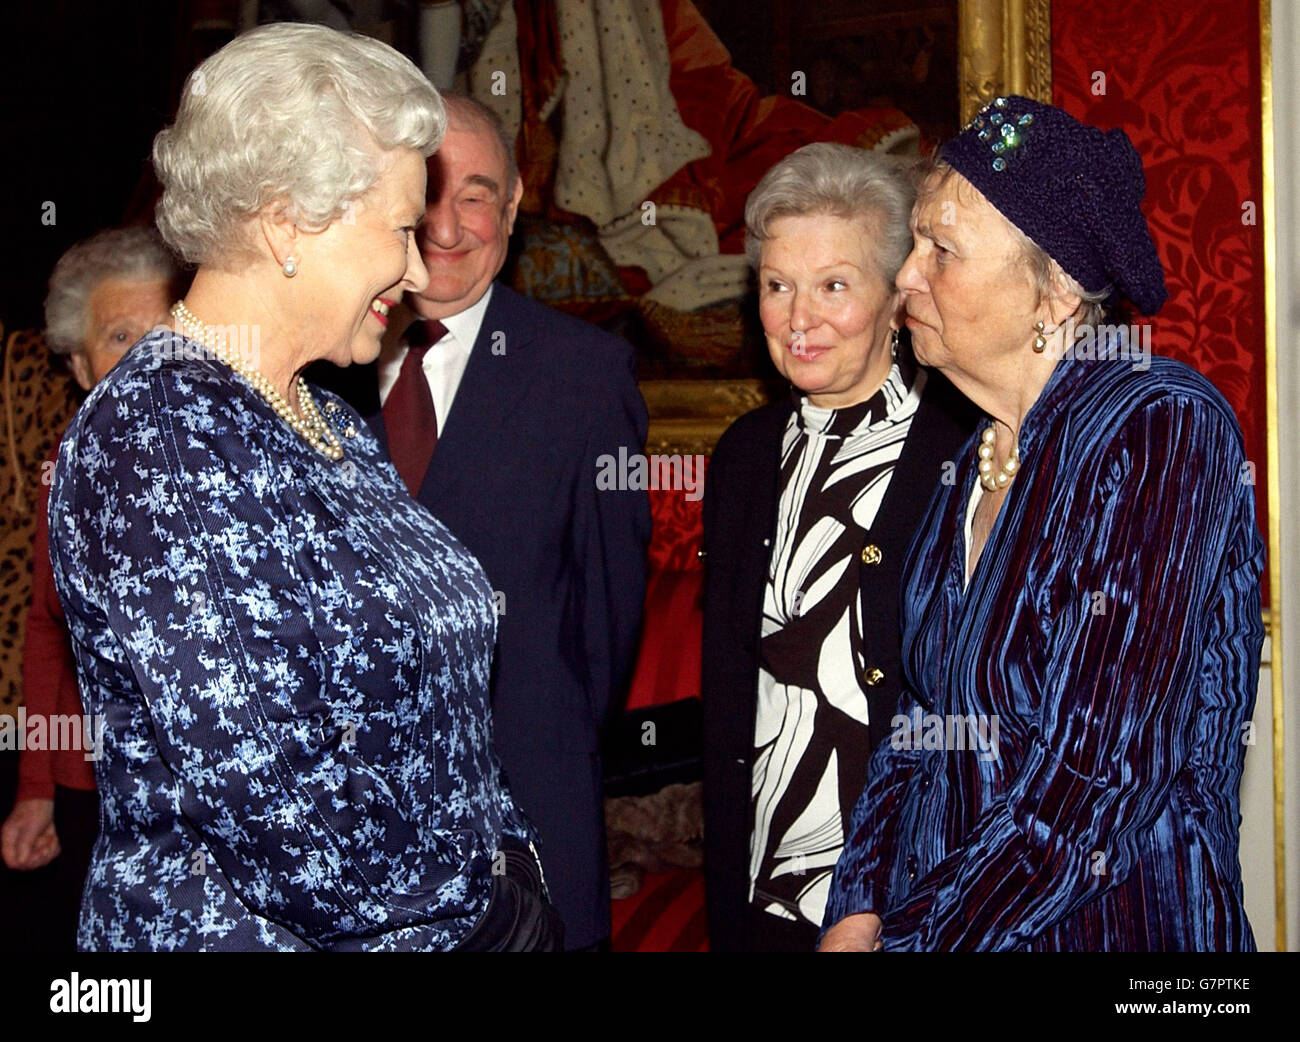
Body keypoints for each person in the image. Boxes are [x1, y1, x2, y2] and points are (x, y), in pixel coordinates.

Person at [47, 23, 558, 951]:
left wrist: (512, 867)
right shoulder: (158, 437)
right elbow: (274, 798)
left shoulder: (324, 414)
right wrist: (484, 917)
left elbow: (445, 709)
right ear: (288, 222)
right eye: (402, 228)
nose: (417, 267)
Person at [820, 96, 1263, 952]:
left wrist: (909, 941)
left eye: (940, 250)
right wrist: (858, 904)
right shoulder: (976, 455)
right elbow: (921, 718)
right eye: (915, 243)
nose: (904, 276)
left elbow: (1097, 780)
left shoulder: (1158, 427)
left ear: (1053, 291)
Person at [316, 94, 650, 951]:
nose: (449, 224)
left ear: (512, 207)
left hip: (525, 825)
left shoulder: (584, 376)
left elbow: (605, 626)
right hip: (333, 830)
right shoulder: (316, 366)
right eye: (428, 191)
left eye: (477, 193)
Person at [700, 143, 976, 952]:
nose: (798, 318)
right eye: (778, 285)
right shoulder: (744, 456)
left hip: (907, 893)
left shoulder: (965, 452)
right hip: (765, 886)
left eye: (833, 286)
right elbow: (731, 696)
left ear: (898, 297)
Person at [1, 227, 179, 951]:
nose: (146, 360)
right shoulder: (63, 466)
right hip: (93, 789)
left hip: (210, 801)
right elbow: (47, 627)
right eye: (119, 336)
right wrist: (35, 789)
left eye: (163, 335)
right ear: (78, 365)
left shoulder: (236, 461)